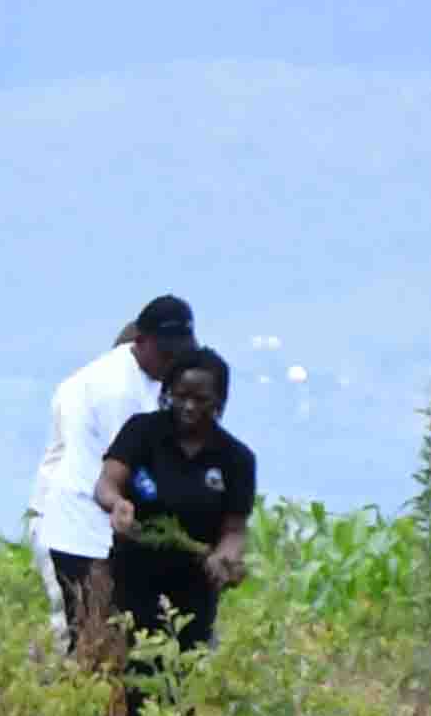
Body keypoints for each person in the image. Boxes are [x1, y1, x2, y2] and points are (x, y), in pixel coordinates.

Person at [23, 295, 193, 656]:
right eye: (165, 354)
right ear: (140, 342)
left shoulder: (142, 375)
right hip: (83, 533)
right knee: (87, 640)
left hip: (107, 532)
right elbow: (136, 471)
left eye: (178, 355)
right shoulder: (117, 391)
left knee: (114, 640)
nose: (171, 363)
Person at [88, 346, 259, 694]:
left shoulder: (236, 459)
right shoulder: (143, 432)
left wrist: (226, 557)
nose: (190, 407)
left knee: (182, 682)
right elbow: (107, 482)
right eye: (180, 396)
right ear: (167, 393)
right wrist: (118, 504)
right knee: (127, 677)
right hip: (132, 579)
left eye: (202, 399)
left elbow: (234, 528)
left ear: (220, 401)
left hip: (194, 590)